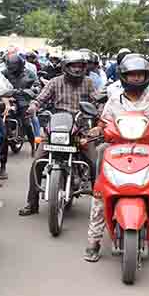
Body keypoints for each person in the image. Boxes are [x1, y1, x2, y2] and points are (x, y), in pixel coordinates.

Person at [84, 56, 149, 264]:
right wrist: (96, 129)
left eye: (139, 75)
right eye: (132, 75)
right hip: (118, 152)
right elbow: (104, 122)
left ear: (146, 77)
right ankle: (93, 242)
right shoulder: (114, 100)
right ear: (124, 77)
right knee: (99, 194)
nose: (135, 79)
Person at [18, 50, 98, 216]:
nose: (76, 69)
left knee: (94, 162)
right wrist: (33, 107)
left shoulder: (89, 82)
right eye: (73, 66)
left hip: (80, 128)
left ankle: (100, 205)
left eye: (80, 66)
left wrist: (99, 112)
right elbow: (40, 99)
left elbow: (97, 101)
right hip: (57, 126)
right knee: (38, 162)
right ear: (65, 67)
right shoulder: (55, 82)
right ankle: (32, 204)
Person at [0, 53, 38, 180]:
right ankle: (2, 164)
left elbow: (37, 86)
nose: (12, 70)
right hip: (8, 100)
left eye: (14, 67)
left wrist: (30, 91)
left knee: (26, 122)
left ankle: (33, 145)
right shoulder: (4, 73)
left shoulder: (29, 74)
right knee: (2, 128)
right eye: (10, 67)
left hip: (23, 100)